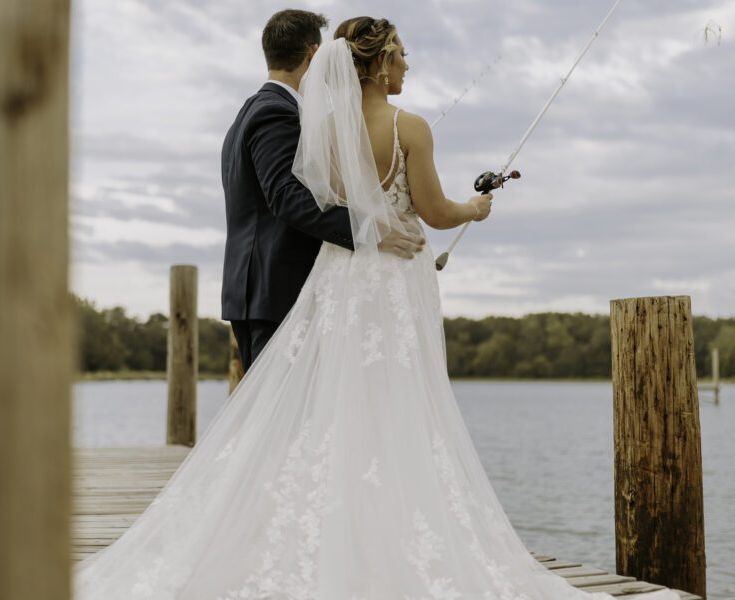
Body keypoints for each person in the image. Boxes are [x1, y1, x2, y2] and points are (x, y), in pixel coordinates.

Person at [72, 16, 682, 600]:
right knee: (389, 407)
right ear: (379, 60)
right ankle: (339, 538)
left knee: (327, 416)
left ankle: (318, 534)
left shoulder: (320, 129)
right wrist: (472, 209)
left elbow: (317, 193)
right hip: (376, 279)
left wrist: (367, 224)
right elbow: (417, 212)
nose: (408, 63)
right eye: (402, 54)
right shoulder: (395, 125)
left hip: (334, 283)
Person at [220, 10, 426, 372]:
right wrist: (369, 229)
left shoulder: (250, 111)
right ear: (314, 55)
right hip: (276, 291)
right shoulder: (276, 113)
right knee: (280, 422)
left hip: (258, 291)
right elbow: (285, 197)